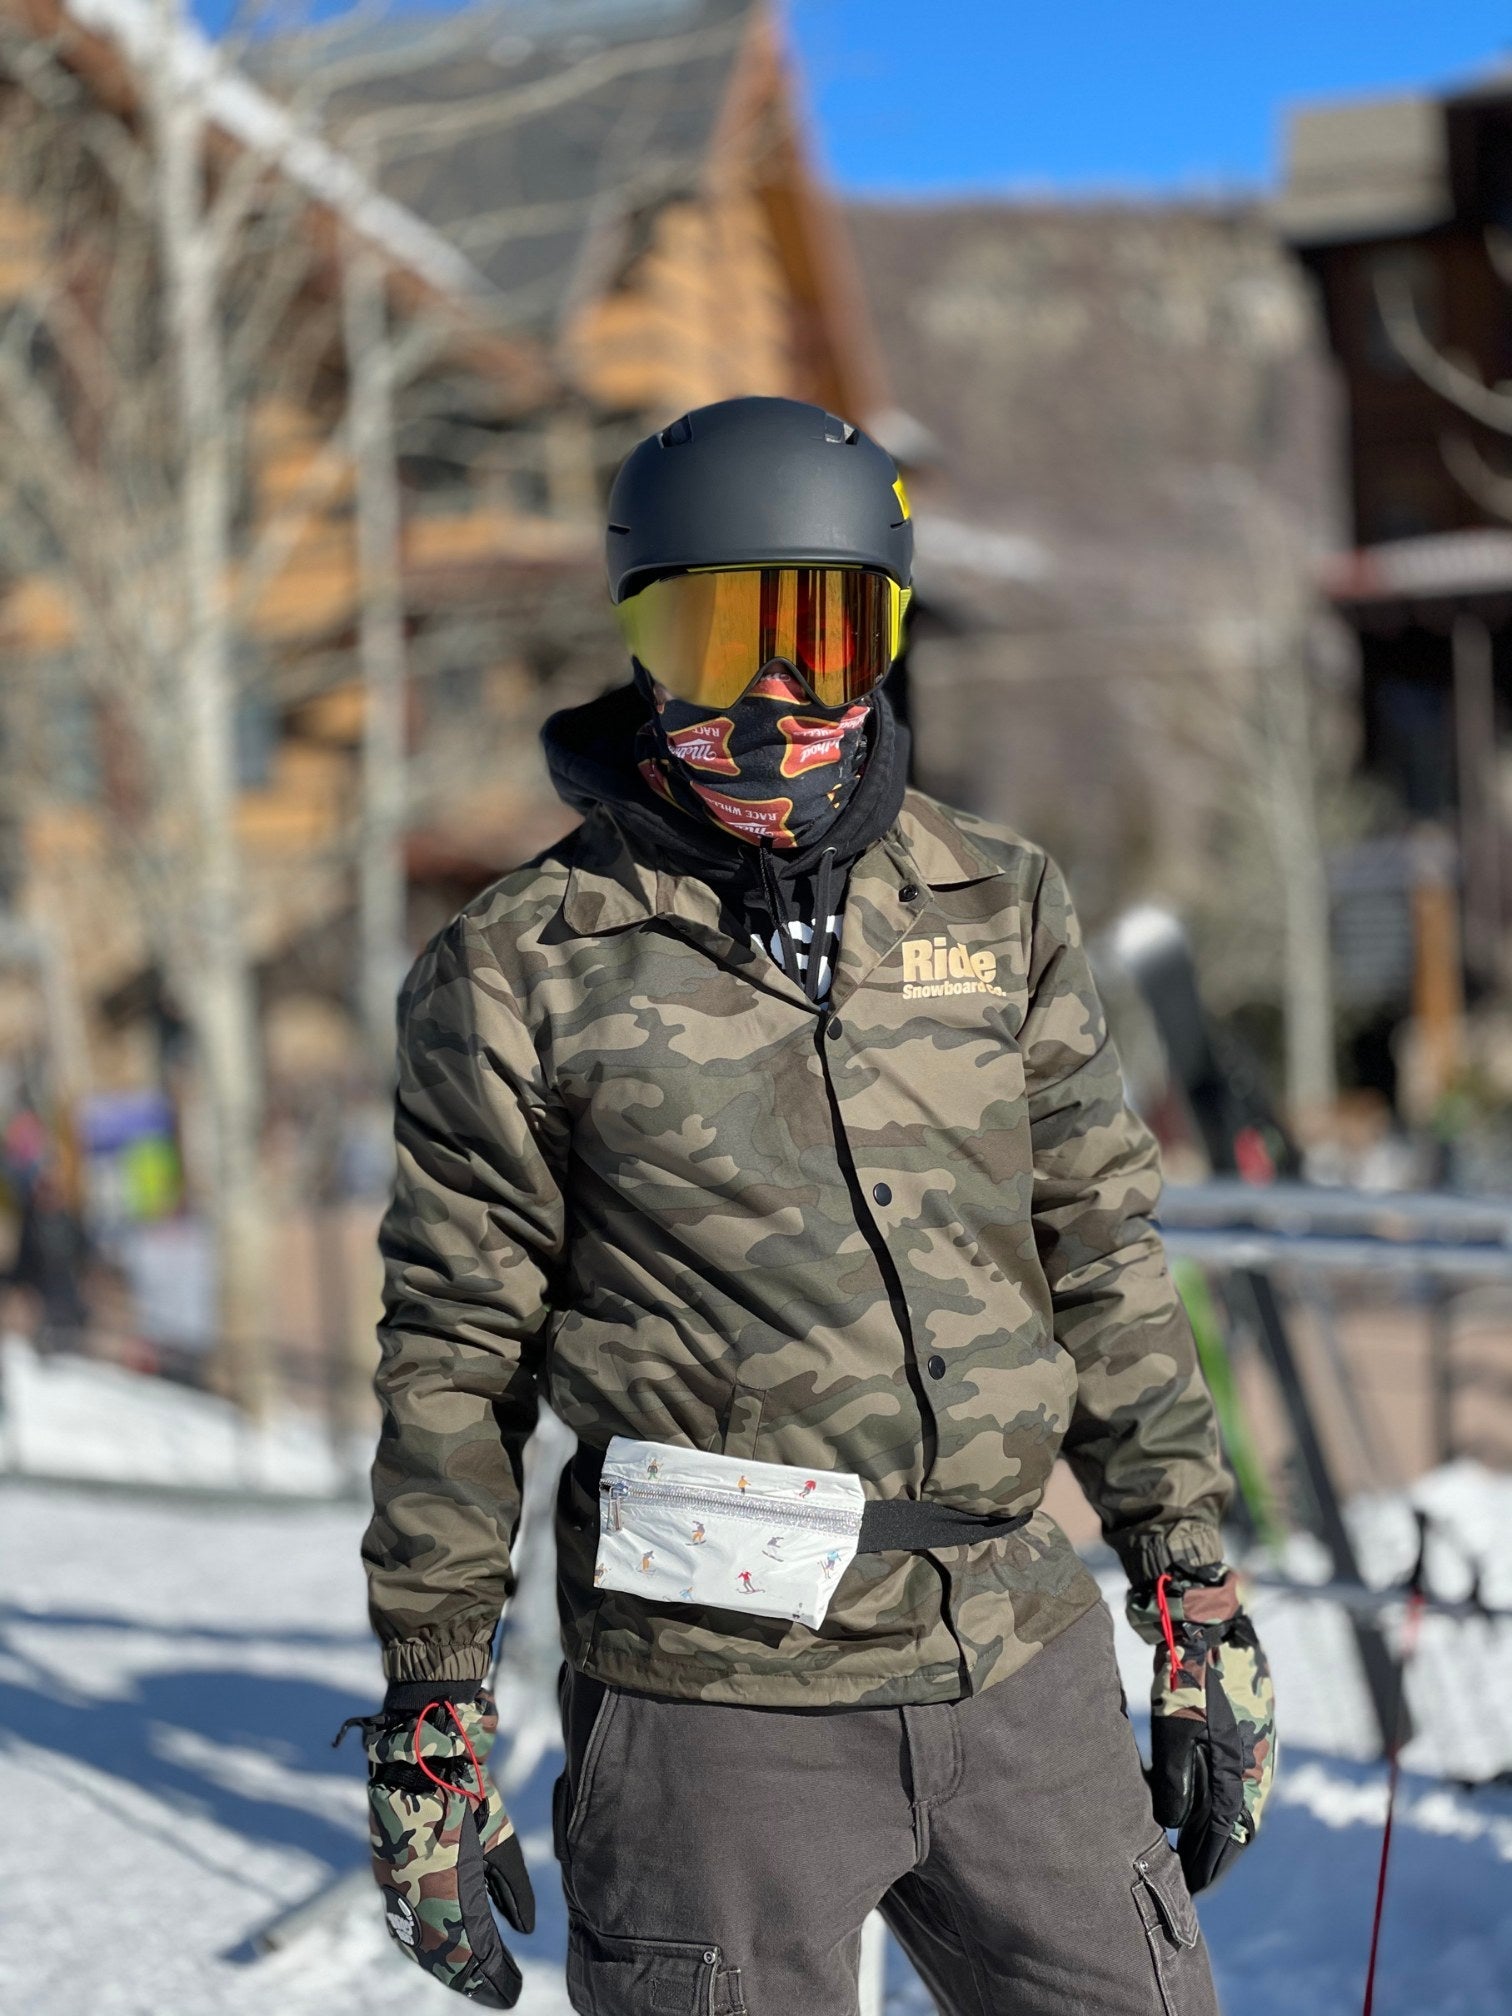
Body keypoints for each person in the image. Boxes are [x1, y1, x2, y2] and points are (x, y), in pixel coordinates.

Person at [345, 397, 1276, 2014]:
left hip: (1015, 1654)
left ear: (885, 641)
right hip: (716, 1713)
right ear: (644, 644)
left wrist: (1189, 1586)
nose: (779, 696)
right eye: (723, 636)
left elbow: (1103, 1259)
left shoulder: (999, 904)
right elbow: (455, 1354)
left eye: (826, 635)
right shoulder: (521, 966)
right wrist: (435, 1706)